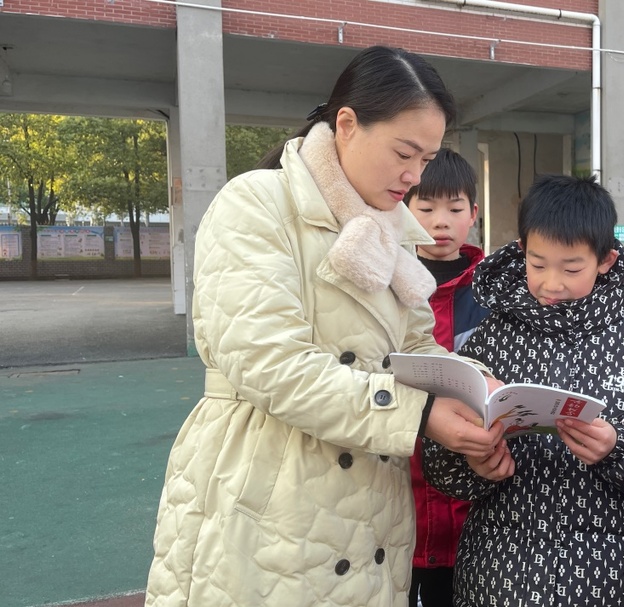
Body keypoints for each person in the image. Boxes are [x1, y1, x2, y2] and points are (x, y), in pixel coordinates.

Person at [143, 46, 505, 607]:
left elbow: (416, 345)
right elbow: (270, 364)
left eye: (428, 159)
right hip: (267, 494)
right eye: (405, 152)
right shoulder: (256, 204)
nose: (414, 176)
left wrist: (482, 391)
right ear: (347, 124)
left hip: (369, 510)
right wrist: (419, 413)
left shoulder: (390, 228)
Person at [423, 174, 624, 607]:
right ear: (521, 250)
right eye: (538, 265)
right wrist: (472, 461)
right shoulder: (489, 340)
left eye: (571, 268)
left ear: (604, 260)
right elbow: (439, 462)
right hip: (502, 576)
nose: (552, 283)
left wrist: (621, 446)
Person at [402, 148, 487, 607]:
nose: (441, 222)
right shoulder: (384, 286)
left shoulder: (497, 293)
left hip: (476, 508)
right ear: (403, 209)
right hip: (402, 508)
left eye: (455, 209)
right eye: (426, 207)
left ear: (473, 214)